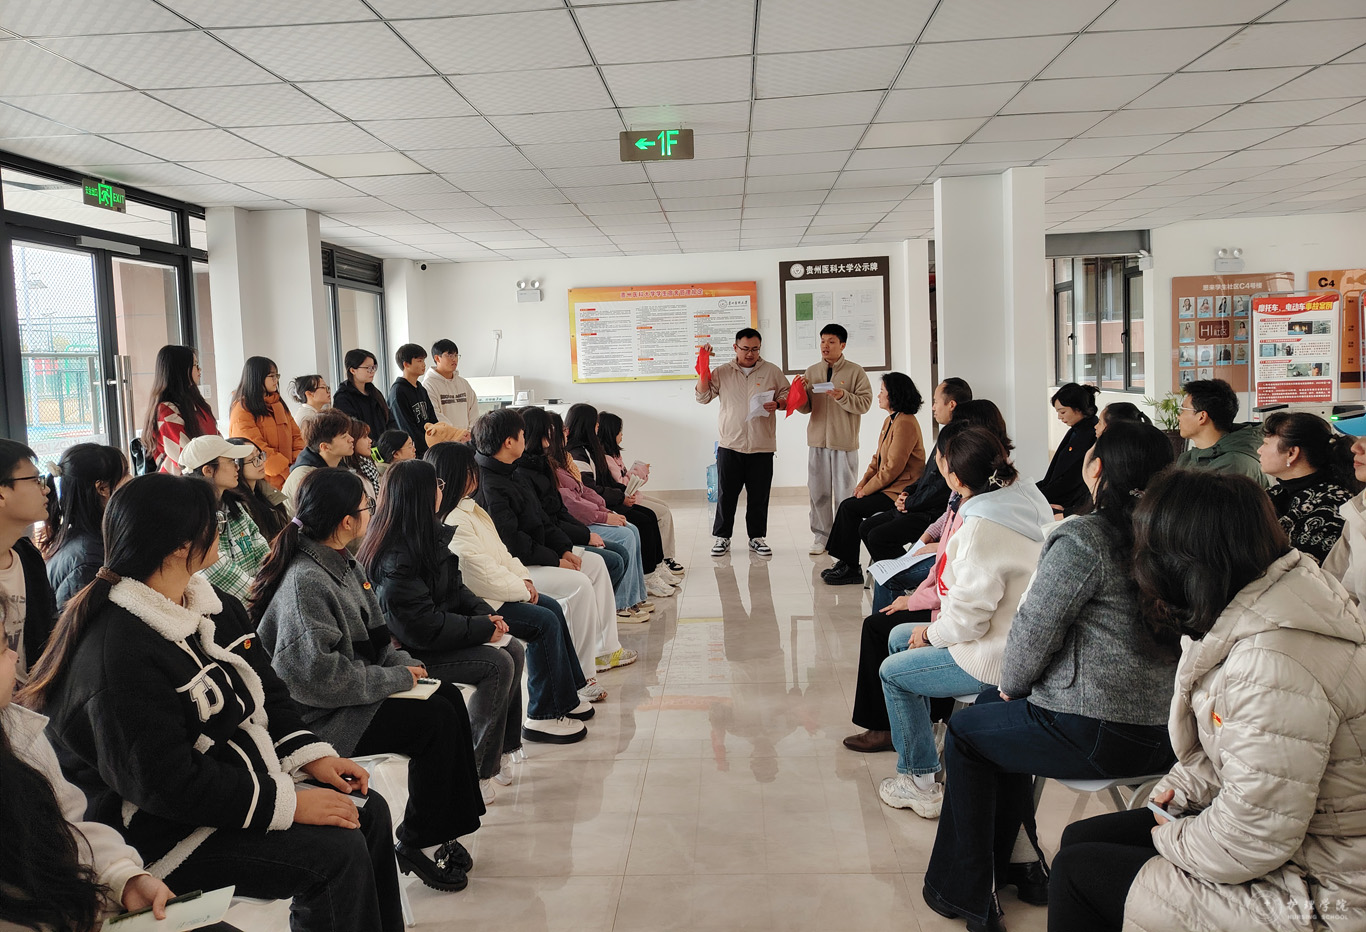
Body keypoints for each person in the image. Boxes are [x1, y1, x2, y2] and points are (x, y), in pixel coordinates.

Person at [21, 473, 404, 930]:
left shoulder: (213, 604)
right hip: (160, 832)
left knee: (369, 811)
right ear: (180, 545)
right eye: (213, 522)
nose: (221, 529)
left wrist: (311, 757)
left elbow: (269, 693)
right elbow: (164, 784)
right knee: (336, 851)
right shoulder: (117, 652)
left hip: (233, 785)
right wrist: (288, 803)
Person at [1049, 470, 1366, 932]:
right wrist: (1178, 793)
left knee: (1079, 873)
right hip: (1294, 842)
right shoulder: (1265, 604)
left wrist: (1172, 836)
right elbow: (1241, 757)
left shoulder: (1271, 663)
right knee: (1081, 838)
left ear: (1187, 562)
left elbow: (1251, 840)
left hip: (1326, 890)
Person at [919, 423, 1178, 931]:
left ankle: (967, 892)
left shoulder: (1085, 537)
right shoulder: (1175, 535)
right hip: (1169, 736)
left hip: (1099, 732)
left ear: (1097, 469)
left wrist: (1012, 685)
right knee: (997, 721)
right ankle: (1022, 864)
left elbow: (1035, 630)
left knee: (970, 732)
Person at [252, 468, 485, 894]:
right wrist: (394, 678)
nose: (372, 512)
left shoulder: (344, 561)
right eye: (366, 506)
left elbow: (379, 639)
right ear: (346, 522)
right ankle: (419, 841)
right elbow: (319, 681)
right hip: (323, 717)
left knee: (447, 697)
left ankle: (445, 828)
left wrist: (406, 666)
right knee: (433, 721)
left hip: (356, 691)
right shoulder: (306, 581)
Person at [872, 425, 1054, 817]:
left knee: (892, 672)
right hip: (1016, 639)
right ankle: (926, 744)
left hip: (992, 656)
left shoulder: (980, 529)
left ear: (955, 480)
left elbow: (967, 622)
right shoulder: (1023, 496)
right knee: (898, 637)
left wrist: (928, 633)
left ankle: (918, 782)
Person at [361, 460, 540, 802]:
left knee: (513, 647)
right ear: (422, 494)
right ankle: (474, 770)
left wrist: (486, 615)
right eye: (437, 485)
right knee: (496, 664)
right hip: (411, 652)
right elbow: (421, 627)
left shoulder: (429, 532)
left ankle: (500, 750)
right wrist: (480, 629)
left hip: (434, 635)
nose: (442, 490)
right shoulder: (396, 555)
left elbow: (457, 590)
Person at [842, 403, 1015, 753]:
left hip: (980, 643)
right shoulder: (979, 492)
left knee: (881, 628)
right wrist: (922, 548)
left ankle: (903, 742)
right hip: (961, 612)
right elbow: (947, 556)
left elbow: (960, 596)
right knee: (888, 617)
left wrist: (918, 608)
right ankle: (912, 731)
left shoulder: (980, 518)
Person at [0, 637, 195, 932]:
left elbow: (66, 828)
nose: (15, 656)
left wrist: (125, 878)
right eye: (3, 648)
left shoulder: (16, 730)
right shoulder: (122, 648)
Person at [428, 442, 592, 750]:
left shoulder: (470, 508)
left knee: (551, 608)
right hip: (481, 602)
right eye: (470, 469)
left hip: (498, 591)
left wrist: (524, 579)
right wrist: (520, 589)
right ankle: (542, 714)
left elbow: (501, 554)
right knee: (543, 621)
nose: (476, 474)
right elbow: (478, 572)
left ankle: (565, 696)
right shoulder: (453, 519)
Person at [471, 409, 617, 702]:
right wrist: (555, 559)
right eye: (521, 434)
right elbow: (513, 543)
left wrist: (564, 549)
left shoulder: (513, 471)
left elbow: (543, 520)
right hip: (518, 567)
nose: (525, 438)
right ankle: (581, 676)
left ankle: (604, 650)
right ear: (509, 442)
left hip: (539, 555)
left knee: (595, 564)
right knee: (579, 585)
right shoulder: (490, 483)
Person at [529, 407, 650, 633]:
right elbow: (570, 505)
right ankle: (620, 604)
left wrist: (605, 510)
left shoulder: (562, 460)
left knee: (633, 528)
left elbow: (584, 493)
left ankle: (632, 598)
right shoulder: (560, 461)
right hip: (575, 527)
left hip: (578, 523)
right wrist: (600, 519)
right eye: (559, 429)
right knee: (625, 537)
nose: (565, 432)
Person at [822, 372, 927, 585]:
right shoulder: (891, 420)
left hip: (899, 491)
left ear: (894, 395)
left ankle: (850, 567)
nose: (878, 396)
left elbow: (893, 468)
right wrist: (861, 484)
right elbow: (877, 460)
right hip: (888, 487)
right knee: (849, 505)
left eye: (881, 392)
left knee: (849, 508)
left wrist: (867, 490)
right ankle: (847, 563)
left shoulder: (905, 423)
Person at [695, 328, 791, 557]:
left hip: (762, 445)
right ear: (735, 347)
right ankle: (722, 537)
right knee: (726, 495)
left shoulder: (771, 371)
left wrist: (778, 404)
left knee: (759, 495)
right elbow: (703, 397)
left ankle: (756, 537)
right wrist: (703, 368)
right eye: (745, 349)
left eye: (755, 349)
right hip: (731, 445)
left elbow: (788, 395)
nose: (750, 354)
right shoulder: (723, 372)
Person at [565, 404, 675, 597]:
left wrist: (621, 495)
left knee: (648, 517)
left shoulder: (590, 450)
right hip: (595, 508)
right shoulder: (576, 454)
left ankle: (654, 569)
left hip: (603, 503)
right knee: (639, 524)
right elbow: (589, 490)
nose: (597, 428)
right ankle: (645, 579)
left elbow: (601, 484)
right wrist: (617, 500)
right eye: (595, 424)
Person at [859, 378, 970, 565]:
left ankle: (902, 572)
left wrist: (909, 502)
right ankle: (897, 572)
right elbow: (926, 475)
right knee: (866, 527)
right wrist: (907, 493)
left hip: (930, 512)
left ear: (951, 405)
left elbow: (941, 488)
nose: (933, 407)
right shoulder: (946, 433)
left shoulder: (958, 439)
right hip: (917, 503)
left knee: (877, 536)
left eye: (935, 401)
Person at [795, 323, 874, 555]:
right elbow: (806, 408)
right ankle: (821, 536)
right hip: (817, 442)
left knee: (845, 494)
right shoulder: (811, 371)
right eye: (822, 341)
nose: (825, 346)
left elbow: (865, 404)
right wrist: (798, 395)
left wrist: (842, 396)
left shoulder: (855, 372)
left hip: (844, 442)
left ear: (843, 345)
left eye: (831, 342)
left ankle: (843, 537)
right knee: (817, 492)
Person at [1258, 411, 1360, 564]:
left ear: (1292, 453)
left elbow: (1307, 570)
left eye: (1266, 443)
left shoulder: (1332, 505)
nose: (1259, 450)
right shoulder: (1274, 494)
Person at [181, 435, 271, 605]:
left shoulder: (235, 506)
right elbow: (218, 572)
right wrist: (268, 596)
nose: (237, 466)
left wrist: (271, 583)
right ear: (208, 470)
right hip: (228, 611)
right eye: (230, 461)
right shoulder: (194, 519)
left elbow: (263, 552)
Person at [39, 443, 128, 613]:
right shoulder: (89, 560)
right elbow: (82, 624)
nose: (132, 479)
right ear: (102, 488)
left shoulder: (84, 540)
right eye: (125, 474)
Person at [598, 410, 686, 577]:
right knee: (662, 513)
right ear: (610, 433)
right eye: (619, 431)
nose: (622, 435)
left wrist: (638, 472)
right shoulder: (605, 458)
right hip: (626, 498)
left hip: (632, 495)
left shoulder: (614, 454)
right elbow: (623, 484)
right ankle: (664, 559)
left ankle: (664, 557)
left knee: (664, 507)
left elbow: (624, 478)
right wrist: (640, 471)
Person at [0, 441, 56, 688]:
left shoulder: (28, 557)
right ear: (1, 494)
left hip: (28, 703)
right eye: (35, 480)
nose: (46, 490)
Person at [227, 355, 305, 491]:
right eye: (271, 376)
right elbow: (255, 447)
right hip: (262, 481)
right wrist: (285, 470)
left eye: (277, 376)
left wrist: (295, 465)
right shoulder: (242, 408)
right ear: (256, 378)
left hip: (290, 476)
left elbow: (297, 437)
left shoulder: (278, 404)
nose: (276, 380)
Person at [1174, 377, 1267, 486]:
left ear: (1202, 417)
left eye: (1183, 410)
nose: (1178, 417)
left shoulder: (1234, 464)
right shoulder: (1187, 458)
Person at [143, 344, 218, 475]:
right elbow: (186, 459)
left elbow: (216, 439)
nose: (199, 370)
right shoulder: (166, 411)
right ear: (181, 370)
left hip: (206, 474)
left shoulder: (196, 404)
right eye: (195, 365)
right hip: (181, 481)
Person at [283, 409, 374, 512]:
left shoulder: (338, 465)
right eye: (344, 436)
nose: (351, 439)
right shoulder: (307, 478)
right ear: (325, 447)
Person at [1037, 382, 1100, 515]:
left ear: (1078, 408)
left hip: (1069, 506)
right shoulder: (1078, 430)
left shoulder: (1088, 434)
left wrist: (1038, 496)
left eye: (1063, 412)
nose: (1059, 417)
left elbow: (1070, 480)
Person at [224, 436, 290, 541]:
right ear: (236, 466)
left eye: (259, 455)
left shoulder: (264, 490)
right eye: (252, 460)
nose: (260, 462)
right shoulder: (237, 506)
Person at [333, 348, 398, 442]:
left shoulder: (374, 393)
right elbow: (352, 429)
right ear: (353, 370)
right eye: (368, 368)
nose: (372, 371)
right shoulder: (343, 397)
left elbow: (389, 420)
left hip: (383, 446)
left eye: (373, 367)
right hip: (362, 446)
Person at [388, 343, 439, 457]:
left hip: (429, 449)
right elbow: (406, 427)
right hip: (412, 452)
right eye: (419, 361)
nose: (424, 364)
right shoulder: (398, 391)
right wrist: (426, 447)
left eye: (423, 360)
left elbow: (432, 418)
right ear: (406, 364)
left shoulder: (421, 388)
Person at [423, 339, 480, 441]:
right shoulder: (428, 385)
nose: (454, 359)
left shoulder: (463, 383)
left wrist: (470, 433)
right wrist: (457, 435)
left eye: (456, 355)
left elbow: (474, 410)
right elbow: (435, 414)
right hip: (445, 441)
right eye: (449, 355)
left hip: (468, 439)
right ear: (437, 358)